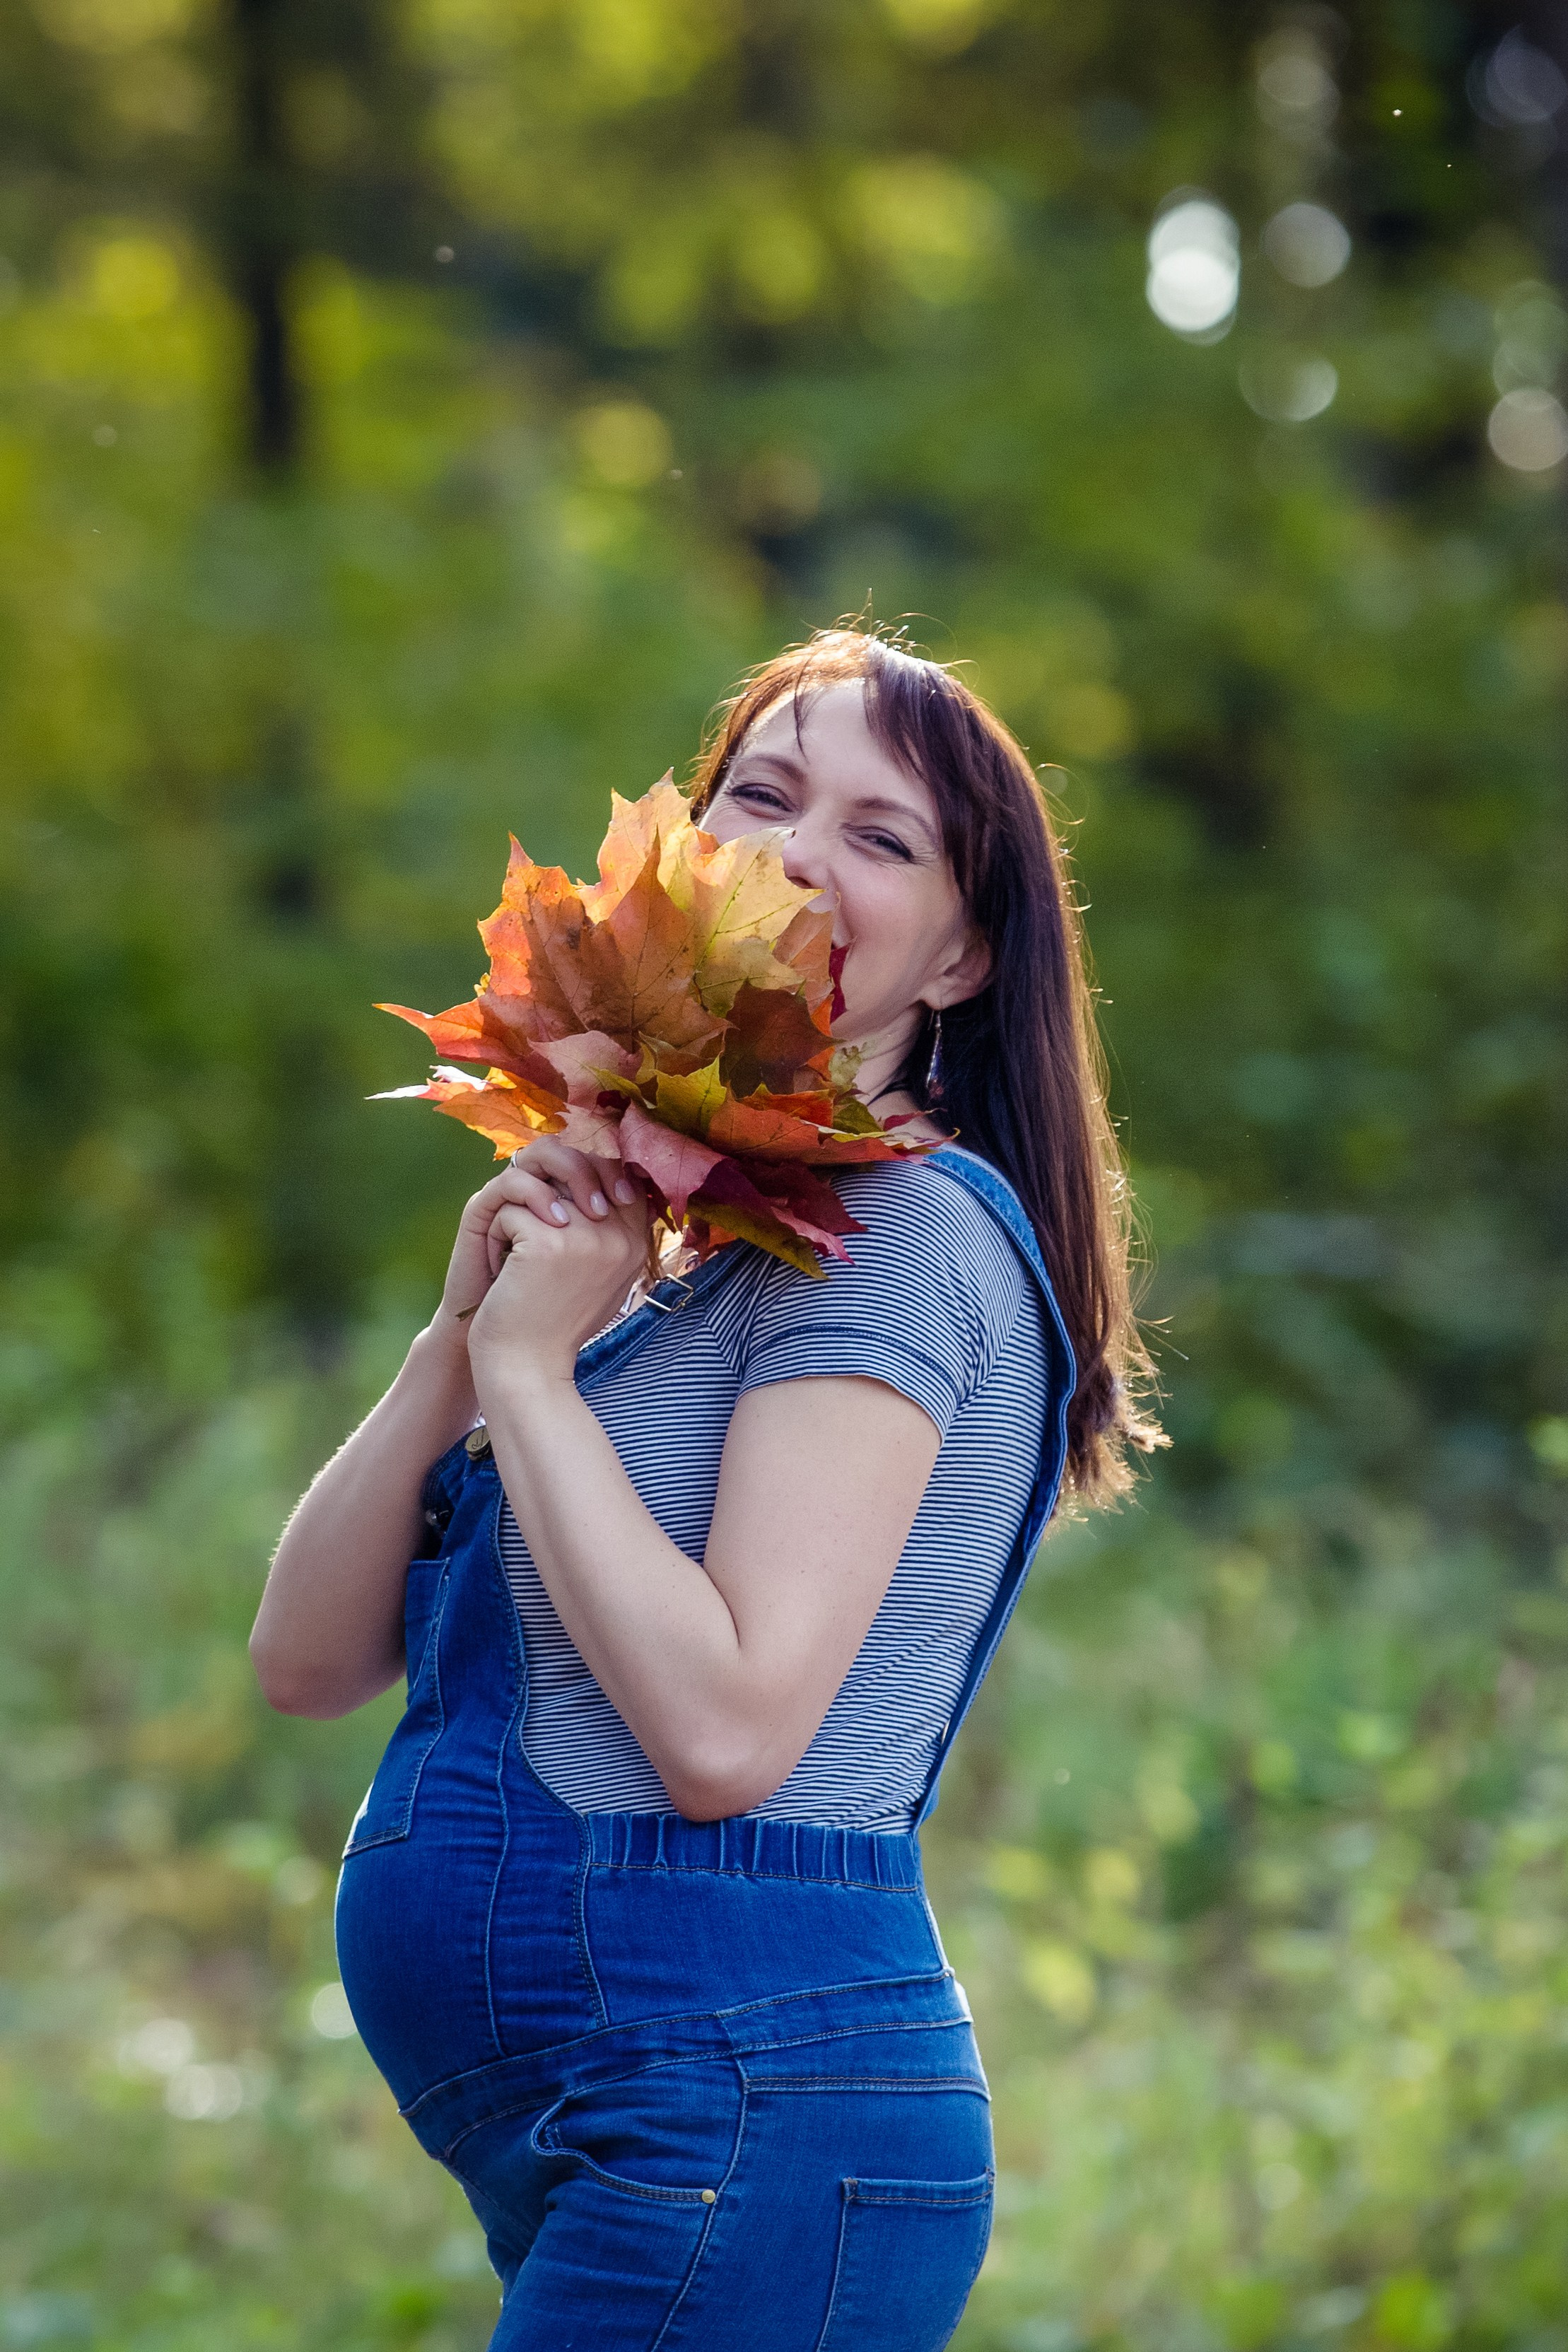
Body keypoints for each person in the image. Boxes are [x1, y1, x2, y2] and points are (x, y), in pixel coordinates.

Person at [251, 626, 1162, 2351]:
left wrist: (530, 1380)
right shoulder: (682, 1260)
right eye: (762, 793)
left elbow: (730, 1731)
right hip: (642, 2126)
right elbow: (304, 1661)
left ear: (962, 957)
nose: (802, 851)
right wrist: (460, 1340)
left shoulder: (904, 1235)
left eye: (882, 837)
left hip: (749, 2113)